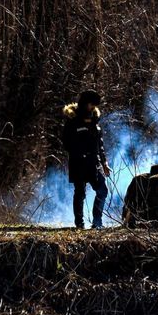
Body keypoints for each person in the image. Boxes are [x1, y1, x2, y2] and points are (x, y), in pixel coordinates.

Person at [60, 90, 111, 229]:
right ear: (84, 103)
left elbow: (100, 145)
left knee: (103, 190)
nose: (93, 107)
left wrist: (104, 163)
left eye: (94, 104)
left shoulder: (95, 120)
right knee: (80, 193)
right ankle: (79, 223)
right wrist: (79, 152)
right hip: (78, 163)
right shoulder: (72, 120)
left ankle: (97, 222)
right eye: (91, 104)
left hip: (94, 163)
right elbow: (66, 143)